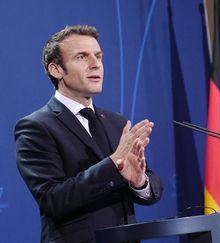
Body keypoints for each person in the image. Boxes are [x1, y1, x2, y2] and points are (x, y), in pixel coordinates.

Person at [14, 25, 163, 243]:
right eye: (82, 57)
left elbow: (152, 187)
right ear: (56, 70)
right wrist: (114, 165)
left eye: (98, 56)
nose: (96, 65)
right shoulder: (35, 127)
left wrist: (139, 182)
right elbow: (53, 199)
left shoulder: (116, 122)